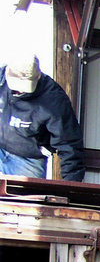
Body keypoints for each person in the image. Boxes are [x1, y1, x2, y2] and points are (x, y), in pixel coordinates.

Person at [0, 51, 86, 182]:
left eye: (23, 89)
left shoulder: (54, 101)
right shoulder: (1, 78)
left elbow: (69, 144)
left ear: (38, 76)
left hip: (28, 160)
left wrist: (71, 185)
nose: (19, 92)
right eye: (16, 89)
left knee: (25, 200)